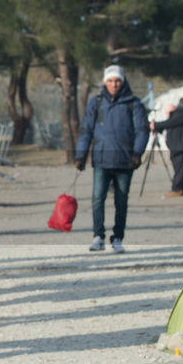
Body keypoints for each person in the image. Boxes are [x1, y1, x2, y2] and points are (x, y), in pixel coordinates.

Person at [74, 65, 149, 253]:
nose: (114, 84)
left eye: (117, 81)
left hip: (125, 161)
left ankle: (117, 238)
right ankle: (98, 236)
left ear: (122, 82)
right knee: (97, 199)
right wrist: (80, 155)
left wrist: (137, 153)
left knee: (121, 201)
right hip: (101, 160)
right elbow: (86, 130)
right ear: (104, 82)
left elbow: (142, 130)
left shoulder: (134, 104)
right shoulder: (96, 103)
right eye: (110, 81)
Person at [151, 97, 183, 197]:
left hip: (182, 147)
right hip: (177, 147)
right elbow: (168, 124)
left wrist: (156, 125)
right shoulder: (179, 116)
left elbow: (169, 123)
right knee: (179, 168)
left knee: (179, 168)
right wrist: (157, 128)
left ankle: (176, 189)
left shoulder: (181, 114)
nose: (168, 116)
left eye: (168, 113)